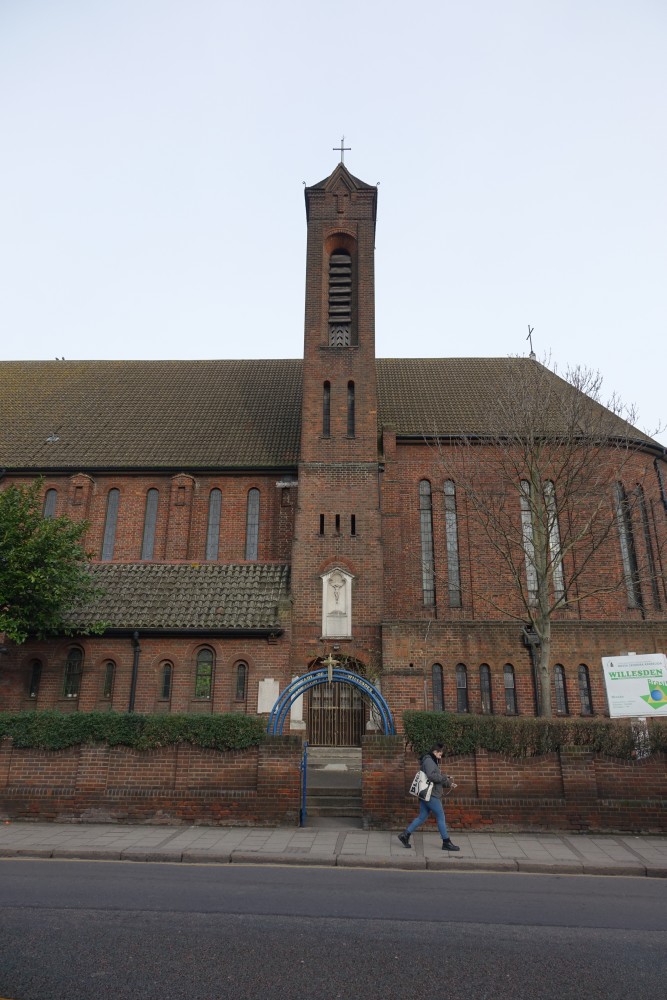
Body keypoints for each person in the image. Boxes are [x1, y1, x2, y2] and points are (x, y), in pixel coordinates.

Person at [398, 743, 460, 851]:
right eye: (440, 754)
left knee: (422, 817)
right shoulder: (429, 761)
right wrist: (445, 777)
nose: (441, 756)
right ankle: (446, 842)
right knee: (441, 816)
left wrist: (449, 784)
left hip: (427, 794)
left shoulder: (432, 761)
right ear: (435, 752)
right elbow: (432, 777)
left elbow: (436, 779)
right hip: (431, 795)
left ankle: (405, 835)